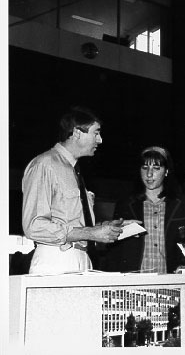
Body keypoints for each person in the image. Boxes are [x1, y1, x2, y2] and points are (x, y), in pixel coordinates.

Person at [22, 106, 124, 274]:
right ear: (77, 133)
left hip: (80, 258)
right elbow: (34, 226)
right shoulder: (44, 165)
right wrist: (90, 233)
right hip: (56, 260)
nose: (100, 140)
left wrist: (104, 228)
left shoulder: (73, 170)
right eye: (96, 133)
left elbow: (71, 222)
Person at [104, 146, 185, 273]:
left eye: (156, 168)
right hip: (134, 278)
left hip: (170, 277)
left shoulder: (183, 204)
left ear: (166, 171)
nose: (149, 174)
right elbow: (115, 248)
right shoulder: (125, 204)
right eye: (145, 167)